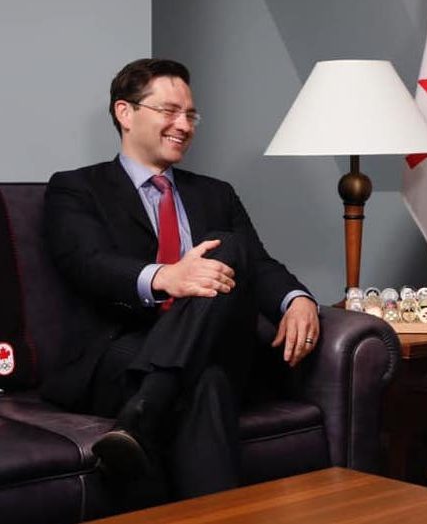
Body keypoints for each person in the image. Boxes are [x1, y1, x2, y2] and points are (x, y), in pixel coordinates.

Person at [41, 58, 319, 502]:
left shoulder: (216, 192)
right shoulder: (76, 188)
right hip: (124, 349)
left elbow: (259, 265)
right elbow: (87, 263)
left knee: (227, 245)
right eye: (170, 111)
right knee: (206, 380)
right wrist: (167, 277)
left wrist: (297, 300)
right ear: (125, 113)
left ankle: (144, 411)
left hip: (213, 338)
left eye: (191, 115)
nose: (184, 125)